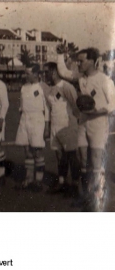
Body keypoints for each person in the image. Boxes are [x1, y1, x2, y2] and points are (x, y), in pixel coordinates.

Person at [57, 47, 113, 210]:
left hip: (98, 123)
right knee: (83, 160)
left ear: (92, 61)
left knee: (96, 161)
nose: (78, 63)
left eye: (81, 61)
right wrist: (60, 54)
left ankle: (97, 198)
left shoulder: (104, 80)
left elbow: (113, 104)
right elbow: (63, 72)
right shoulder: (81, 78)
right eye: (77, 60)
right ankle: (86, 195)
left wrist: (96, 110)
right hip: (83, 123)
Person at [43, 62, 81, 197]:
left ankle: (75, 185)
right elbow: (48, 109)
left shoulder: (67, 87)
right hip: (55, 127)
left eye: (46, 71)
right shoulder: (48, 89)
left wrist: (75, 125)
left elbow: (76, 106)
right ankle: (62, 182)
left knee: (72, 156)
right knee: (59, 156)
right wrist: (47, 127)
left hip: (68, 127)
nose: (44, 74)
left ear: (54, 72)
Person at [15, 63, 50, 191]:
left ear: (36, 74)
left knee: (37, 151)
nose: (26, 75)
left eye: (28, 73)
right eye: (25, 73)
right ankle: (29, 178)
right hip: (25, 119)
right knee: (27, 151)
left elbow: (47, 108)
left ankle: (39, 180)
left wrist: (47, 127)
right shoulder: (23, 87)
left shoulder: (43, 87)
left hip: (38, 120)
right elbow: (21, 106)